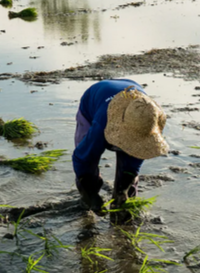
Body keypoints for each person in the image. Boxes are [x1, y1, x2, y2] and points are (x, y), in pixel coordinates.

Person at [72, 79, 168, 222]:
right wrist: (91, 194)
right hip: (94, 100)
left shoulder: (147, 119)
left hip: (133, 107)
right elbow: (82, 158)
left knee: (126, 191)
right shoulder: (101, 125)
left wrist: (123, 189)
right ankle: (87, 207)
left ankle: (122, 218)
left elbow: (134, 161)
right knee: (88, 175)